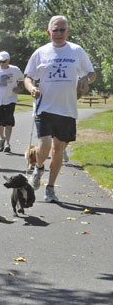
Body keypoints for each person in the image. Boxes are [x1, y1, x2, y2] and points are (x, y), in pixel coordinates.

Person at [24, 15, 95, 203]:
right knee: (45, 146)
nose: (59, 33)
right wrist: (32, 88)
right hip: (44, 107)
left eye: (62, 30)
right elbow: (27, 77)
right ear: (49, 32)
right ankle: (39, 167)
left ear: (68, 31)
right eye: (55, 30)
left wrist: (85, 80)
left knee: (58, 151)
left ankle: (50, 188)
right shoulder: (41, 52)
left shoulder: (76, 51)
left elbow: (91, 73)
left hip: (67, 110)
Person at [0, 51, 24, 153]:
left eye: (3, 61)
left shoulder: (15, 70)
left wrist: (18, 88)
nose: (1, 63)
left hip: (10, 99)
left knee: (9, 121)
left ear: (8, 60)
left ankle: (8, 143)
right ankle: (2, 138)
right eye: (0, 61)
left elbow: (22, 80)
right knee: (0, 122)